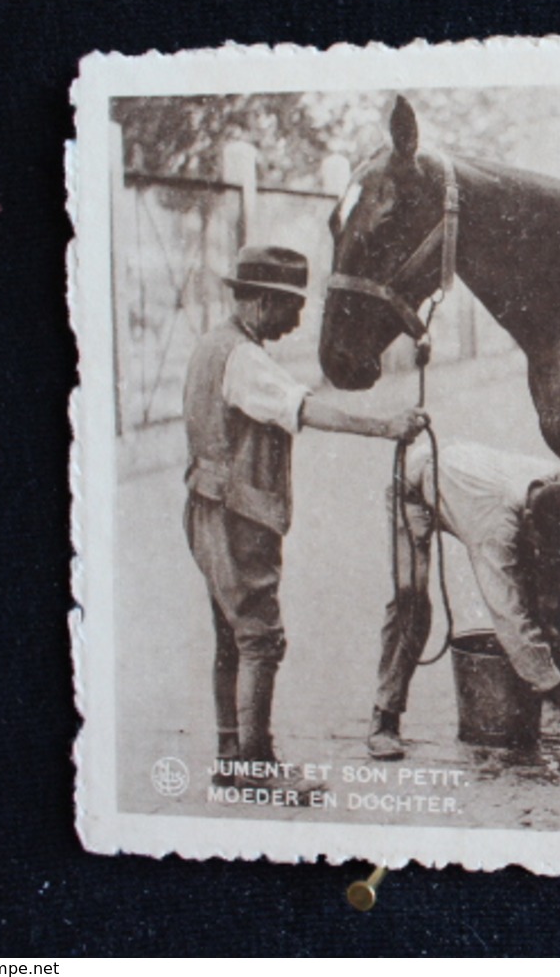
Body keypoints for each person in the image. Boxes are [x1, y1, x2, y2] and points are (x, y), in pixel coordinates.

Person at [183, 245, 427, 799]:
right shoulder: (245, 359)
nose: (296, 323)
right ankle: (257, 765)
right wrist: (386, 427)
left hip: (203, 504)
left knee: (232, 636)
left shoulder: (212, 346)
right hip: (239, 513)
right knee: (261, 641)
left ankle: (231, 754)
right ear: (264, 302)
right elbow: (307, 409)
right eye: (291, 309)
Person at [371, 439, 560, 760]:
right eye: (543, 541)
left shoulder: (559, 481)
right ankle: (385, 716)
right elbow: (509, 616)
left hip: (467, 480)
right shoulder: (494, 527)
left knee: (554, 579)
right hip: (416, 492)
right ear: (530, 520)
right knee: (411, 597)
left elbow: (556, 572)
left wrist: (559, 680)